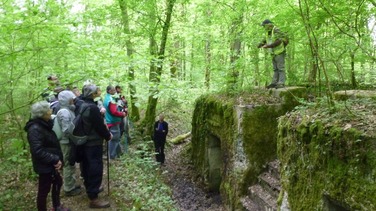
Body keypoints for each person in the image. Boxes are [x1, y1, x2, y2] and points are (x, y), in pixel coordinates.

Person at [24, 101, 70, 211]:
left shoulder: (44, 124)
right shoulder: (35, 129)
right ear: (43, 113)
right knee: (44, 190)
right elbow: (37, 151)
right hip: (45, 165)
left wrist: (57, 160)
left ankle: (56, 206)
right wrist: (55, 159)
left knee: (58, 182)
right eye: (49, 109)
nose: (51, 111)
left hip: (51, 163)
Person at [80, 84, 112, 208]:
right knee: (95, 168)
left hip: (85, 142)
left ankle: (90, 189)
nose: (99, 91)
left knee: (87, 166)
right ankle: (93, 198)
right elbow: (99, 126)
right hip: (93, 143)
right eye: (97, 90)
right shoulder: (92, 108)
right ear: (93, 94)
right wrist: (108, 135)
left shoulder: (82, 104)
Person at [56, 90, 82, 196]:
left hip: (69, 141)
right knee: (67, 164)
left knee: (71, 164)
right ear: (67, 100)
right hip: (66, 142)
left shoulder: (68, 110)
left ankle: (71, 184)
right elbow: (66, 129)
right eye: (71, 98)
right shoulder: (64, 112)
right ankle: (68, 188)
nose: (73, 100)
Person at [257, 19, 288, 89]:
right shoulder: (268, 32)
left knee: (281, 68)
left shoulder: (276, 30)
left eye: (264, 26)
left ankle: (281, 83)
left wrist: (268, 46)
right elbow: (265, 40)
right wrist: (260, 44)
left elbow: (279, 41)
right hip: (273, 53)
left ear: (268, 25)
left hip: (279, 52)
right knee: (275, 69)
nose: (263, 27)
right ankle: (274, 83)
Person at [104, 85, 127, 160]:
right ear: (109, 91)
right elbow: (114, 111)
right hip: (113, 121)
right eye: (113, 90)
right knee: (115, 139)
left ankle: (119, 153)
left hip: (110, 120)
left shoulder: (106, 97)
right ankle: (111, 156)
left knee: (115, 138)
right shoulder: (111, 99)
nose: (115, 91)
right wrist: (122, 114)